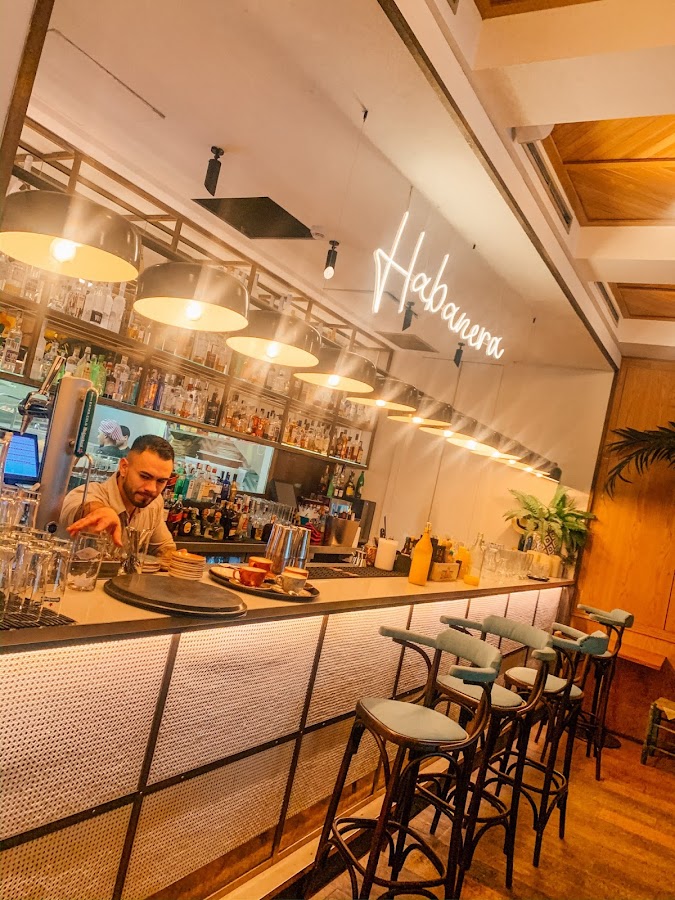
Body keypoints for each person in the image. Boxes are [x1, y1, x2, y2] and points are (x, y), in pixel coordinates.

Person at [60, 434, 176, 560]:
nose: (152, 488)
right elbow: (80, 507)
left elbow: (163, 546)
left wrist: (176, 558)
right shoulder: (87, 493)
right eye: (145, 477)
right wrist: (101, 511)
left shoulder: (154, 503)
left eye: (161, 481)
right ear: (124, 467)